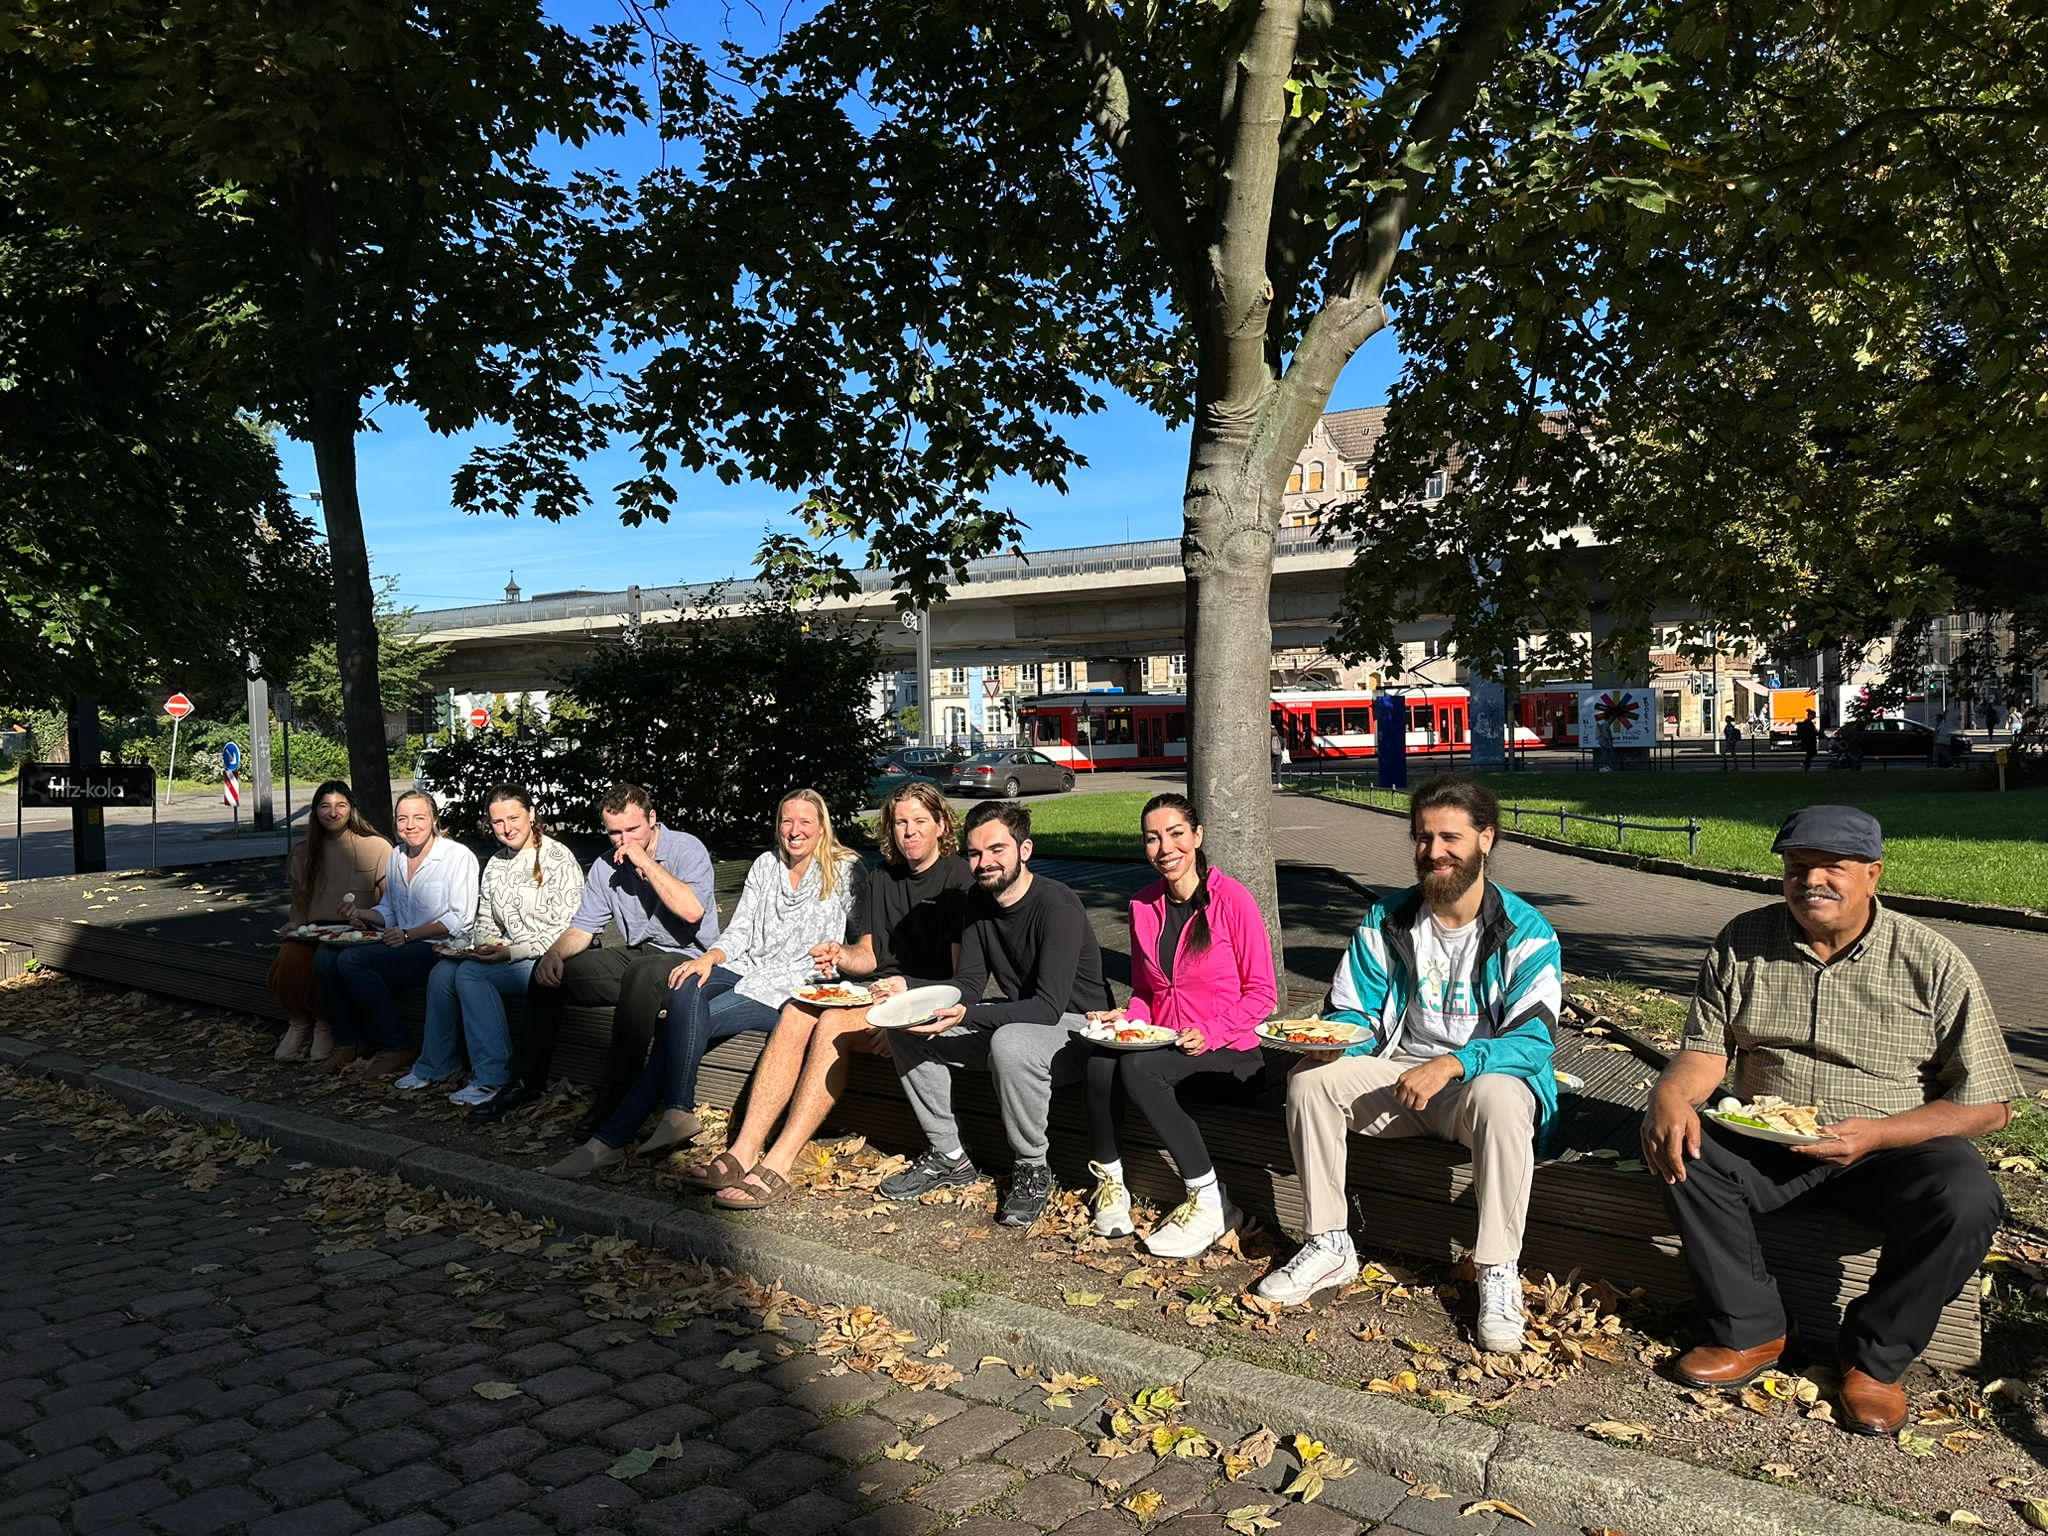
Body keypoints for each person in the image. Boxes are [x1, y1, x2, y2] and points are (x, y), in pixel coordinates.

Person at [1641, 806, 2019, 1435]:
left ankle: (1875, 1360)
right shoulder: (1744, 939)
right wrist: (1672, 1094)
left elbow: (1990, 1102)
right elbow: (1706, 1052)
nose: (1811, 880)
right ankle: (1752, 1332)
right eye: (1797, 867)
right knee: (1680, 1140)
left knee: (1969, 1196)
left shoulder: (1933, 960)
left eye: (1832, 868)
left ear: (1873, 875)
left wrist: (1880, 1133)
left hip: (1887, 1146)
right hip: (1769, 1137)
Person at [1257, 776, 1560, 1358]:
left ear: (1486, 840)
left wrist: (1453, 1062)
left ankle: (1497, 1269)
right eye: (1423, 838)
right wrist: (1336, 1041)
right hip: (1396, 1079)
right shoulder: (1386, 920)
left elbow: (1533, 1041)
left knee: (1502, 1096)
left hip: (1474, 1089)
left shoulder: (1526, 932)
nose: (1434, 851)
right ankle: (1328, 1242)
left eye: (1451, 837)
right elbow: (1353, 1010)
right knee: (1310, 1081)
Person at [547, 789, 864, 1184]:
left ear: (822, 826)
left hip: (792, 986)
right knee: (685, 981)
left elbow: (865, 945)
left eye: (804, 822)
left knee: (683, 1029)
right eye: (787, 821)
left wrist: (844, 959)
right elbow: (741, 929)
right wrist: (709, 958)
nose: (794, 831)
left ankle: (608, 1141)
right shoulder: (766, 865)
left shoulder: (846, 868)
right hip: (747, 967)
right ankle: (675, 1112)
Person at [679, 781, 971, 1207]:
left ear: (942, 824)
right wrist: (841, 954)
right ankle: (743, 1150)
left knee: (832, 1022)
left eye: (920, 822)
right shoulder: (883, 877)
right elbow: (870, 955)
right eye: (901, 822)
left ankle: (778, 1162)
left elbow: (964, 979)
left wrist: (903, 1019)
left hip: (926, 1002)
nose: (909, 831)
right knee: (799, 1010)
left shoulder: (959, 881)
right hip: (877, 990)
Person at [877, 799, 1108, 1228]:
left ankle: (1032, 1167)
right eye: (976, 852)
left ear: (1025, 850)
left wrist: (965, 1014)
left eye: (996, 850)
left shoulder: (1057, 905)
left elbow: (1048, 1006)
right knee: (905, 1027)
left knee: (1010, 1041)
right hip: (1024, 1018)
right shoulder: (978, 905)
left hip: (1081, 1027)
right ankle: (948, 1155)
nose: (984, 863)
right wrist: (914, 993)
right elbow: (968, 984)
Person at [1082, 794, 1275, 1258]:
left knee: (1137, 1071)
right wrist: (1127, 1021)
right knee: (1099, 1060)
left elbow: (1263, 994)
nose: (1165, 847)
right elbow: (1148, 993)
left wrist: (1210, 1031)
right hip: (1167, 1047)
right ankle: (1112, 1187)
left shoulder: (1232, 900)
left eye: (1175, 834)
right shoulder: (1143, 905)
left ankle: (1210, 1202)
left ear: (1197, 837)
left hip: (1232, 1053)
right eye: (1152, 838)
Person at [471, 783, 719, 1132]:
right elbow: (584, 928)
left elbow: (692, 912)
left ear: (652, 818)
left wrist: (645, 861)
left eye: (632, 830)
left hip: (689, 958)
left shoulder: (686, 848)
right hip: (637, 954)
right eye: (614, 832)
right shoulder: (605, 866)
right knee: (549, 975)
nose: (623, 840)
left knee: (641, 974)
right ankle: (525, 1081)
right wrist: (554, 953)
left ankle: (615, 1099)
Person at [400, 786, 584, 1106]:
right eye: (498, 822)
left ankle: (493, 1078)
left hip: (546, 958)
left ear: (532, 814)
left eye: (513, 818)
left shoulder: (558, 858)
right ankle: (436, 1064)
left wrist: (509, 952)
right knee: (445, 970)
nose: (507, 828)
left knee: (471, 975)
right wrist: (472, 947)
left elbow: (567, 928)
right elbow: (485, 920)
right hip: (506, 955)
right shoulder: (497, 862)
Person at [318, 791, 480, 1078]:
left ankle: (397, 1044)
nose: (410, 825)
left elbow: (461, 919)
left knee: (353, 961)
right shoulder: (396, 855)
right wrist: (361, 913)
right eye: (403, 818)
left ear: (434, 820)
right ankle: (348, 1040)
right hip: (401, 942)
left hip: (438, 948)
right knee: (325, 956)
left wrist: (409, 935)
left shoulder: (457, 856)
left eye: (419, 817)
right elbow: (390, 910)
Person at [267, 781, 392, 1062]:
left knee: (327, 960)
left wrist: (372, 922)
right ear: (315, 811)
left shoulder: (376, 847)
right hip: (313, 929)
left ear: (352, 810)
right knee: (290, 958)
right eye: (325, 806)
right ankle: (299, 1024)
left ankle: (324, 1024)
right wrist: (294, 924)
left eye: (341, 806)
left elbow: (390, 902)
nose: (333, 812)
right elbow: (299, 903)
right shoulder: (303, 852)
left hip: (356, 930)